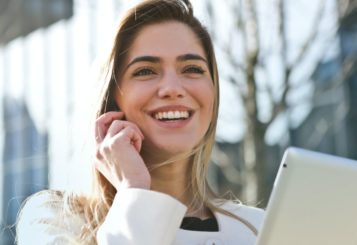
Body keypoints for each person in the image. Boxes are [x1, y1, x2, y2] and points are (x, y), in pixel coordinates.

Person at [16, 0, 265, 244]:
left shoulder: (258, 228)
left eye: (192, 68)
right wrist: (134, 192)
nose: (172, 88)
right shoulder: (55, 222)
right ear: (112, 98)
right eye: (145, 71)